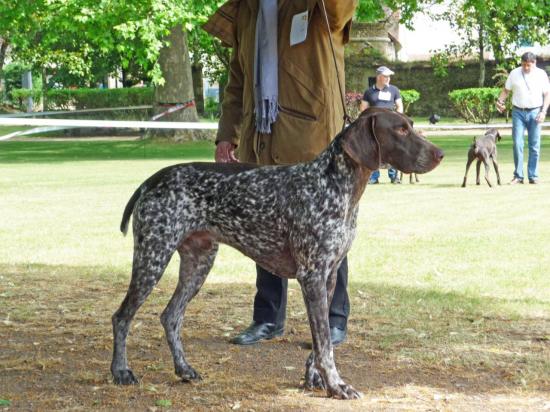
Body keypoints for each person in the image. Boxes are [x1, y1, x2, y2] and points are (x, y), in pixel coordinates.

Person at [204, 0, 357, 346]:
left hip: (312, 135)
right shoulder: (247, 8)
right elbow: (237, 79)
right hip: (260, 135)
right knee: (265, 228)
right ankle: (267, 318)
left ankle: (334, 320)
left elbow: (338, 13)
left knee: (327, 231)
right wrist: (227, 133)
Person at [496, 52, 550, 184]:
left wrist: (543, 112)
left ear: (534, 63)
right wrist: (500, 101)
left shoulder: (541, 75)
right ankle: (518, 176)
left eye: (528, 65)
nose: (526, 68)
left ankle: (533, 176)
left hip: (535, 112)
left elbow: (547, 94)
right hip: (518, 112)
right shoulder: (514, 73)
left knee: (534, 145)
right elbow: (506, 90)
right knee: (517, 144)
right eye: (523, 65)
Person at [359, 66, 404, 184]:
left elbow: (399, 106)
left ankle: (394, 177)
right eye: (386, 76)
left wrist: (396, 119)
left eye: (389, 76)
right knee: (374, 150)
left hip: (390, 126)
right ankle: (373, 177)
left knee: (393, 149)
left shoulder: (394, 90)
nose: (388, 78)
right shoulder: (369, 92)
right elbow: (363, 108)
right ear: (379, 77)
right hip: (374, 127)